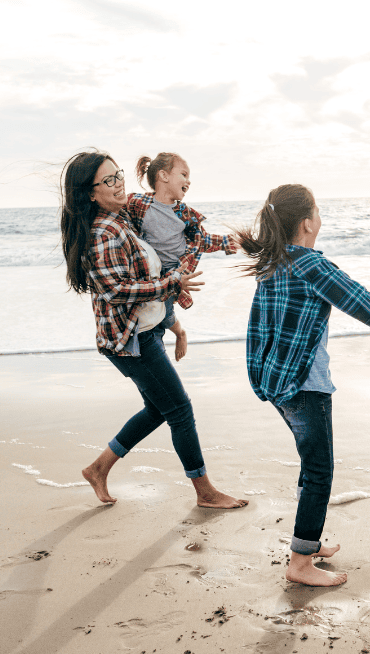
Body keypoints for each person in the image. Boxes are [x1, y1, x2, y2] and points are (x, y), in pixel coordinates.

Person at [239, 183, 370, 587]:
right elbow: (359, 300)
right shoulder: (310, 265)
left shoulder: (275, 263)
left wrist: (262, 378)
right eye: (317, 210)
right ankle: (300, 564)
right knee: (320, 471)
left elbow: (257, 328)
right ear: (307, 223)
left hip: (277, 383)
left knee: (310, 464)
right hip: (306, 386)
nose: (320, 216)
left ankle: (309, 540)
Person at [57, 149, 247, 509]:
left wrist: (174, 322)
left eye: (119, 176)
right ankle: (205, 492)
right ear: (89, 193)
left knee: (159, 409)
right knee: (179, 410)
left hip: (144, 332)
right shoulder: (104, 232)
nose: (119, 184)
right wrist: (172, 282)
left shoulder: (123, 216)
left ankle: (98, 468)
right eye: (108, 180)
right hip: (132, 341)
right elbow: (118, 290)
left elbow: (167, 234)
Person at [124, 152, 236, 361]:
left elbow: (201, 240)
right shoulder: (138, 203)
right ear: (164, 176)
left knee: (164, 315)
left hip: (174, 272)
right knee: (147, 311)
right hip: (149, 272)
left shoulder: (184, 213)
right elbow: (119, 217)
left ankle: (180, 333)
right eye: (183, 174)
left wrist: (228, 243)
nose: (188, 180)